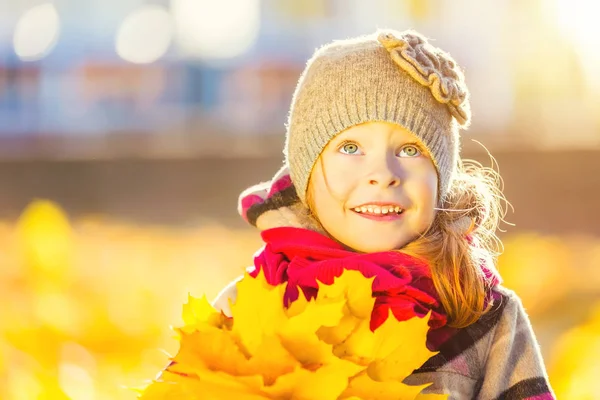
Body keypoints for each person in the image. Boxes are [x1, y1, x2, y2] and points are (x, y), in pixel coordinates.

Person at [212, 29, 555, 399]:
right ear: (306, 173)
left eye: (410, 149)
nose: (384, 174)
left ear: (441, 178)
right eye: (350, 147)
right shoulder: (250, 306)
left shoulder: (483, 315)